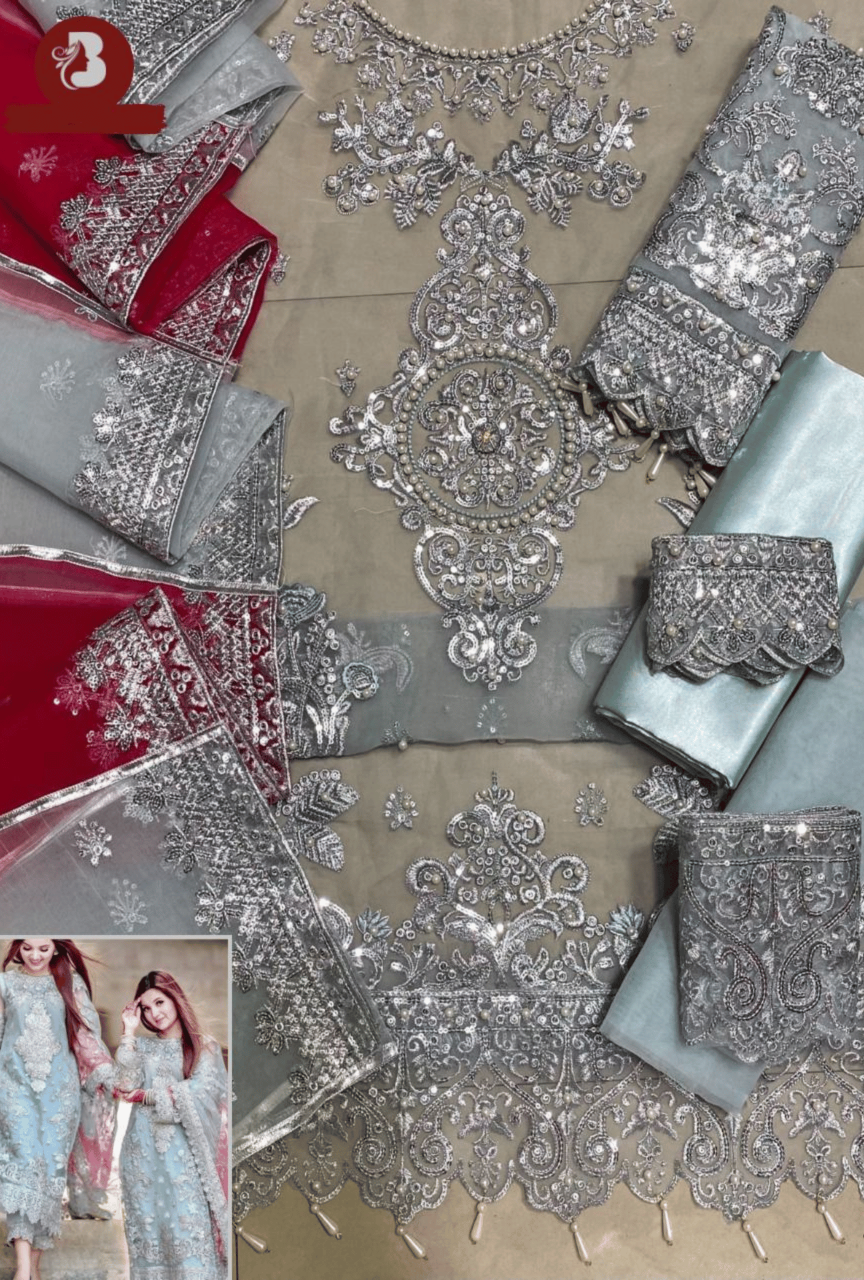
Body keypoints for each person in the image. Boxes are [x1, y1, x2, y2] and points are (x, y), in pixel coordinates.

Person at [0, 937, 114, 1280]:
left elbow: (86, 1037)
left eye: (44, 949)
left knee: (49, 1176)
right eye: (28, 948)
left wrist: (108, 1075)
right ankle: (22, 1269)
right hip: (14, 1088)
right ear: (17, 946)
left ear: (57, 948)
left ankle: (32, 1269)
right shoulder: (5, 982)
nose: (35, 956)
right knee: (22, 1167)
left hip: (60, 1096)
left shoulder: (69, 981)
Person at [114, 970, 229, 1280]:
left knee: (188, 1235)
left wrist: (148, 1095)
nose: (155, 1013)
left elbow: (205, 1093)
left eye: (160, 1002)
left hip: (184, 1160)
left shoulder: (205, 1047)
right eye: (146, 1009)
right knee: (152, 1241)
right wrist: (128, 1032)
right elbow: (123, 1084)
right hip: (142, 1159)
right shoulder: (142, 1047)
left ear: (176, 998)